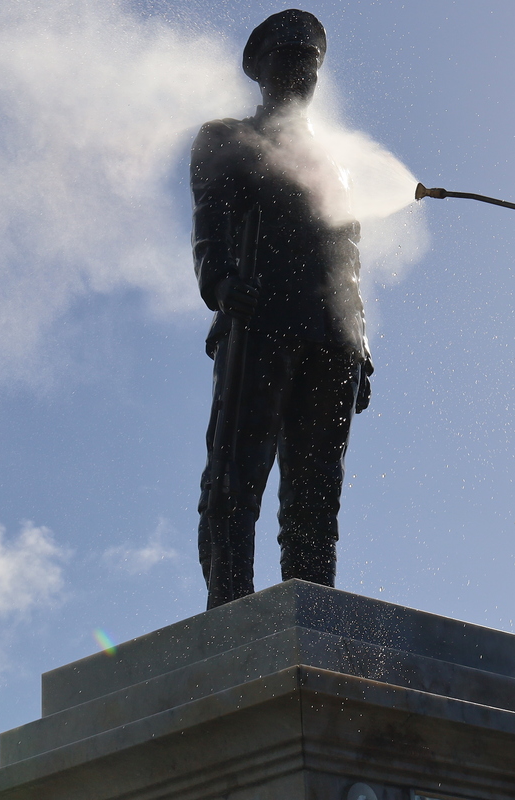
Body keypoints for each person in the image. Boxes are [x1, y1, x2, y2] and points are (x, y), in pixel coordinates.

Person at [190, 9, 371, 609]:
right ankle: (231, 608)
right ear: (262, 70)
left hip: (331, 337)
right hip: (260, 319)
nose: (302, 72)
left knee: (317, 491)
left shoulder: (335, 168)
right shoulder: (226, 137)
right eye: (289, 58)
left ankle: (312, 608)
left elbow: (348, 258)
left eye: (310, 63)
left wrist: (360, 346)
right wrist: (218, 281)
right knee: (235, 479)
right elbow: (210, 220)